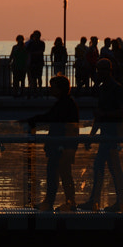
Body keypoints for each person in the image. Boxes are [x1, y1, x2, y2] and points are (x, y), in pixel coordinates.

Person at [21, 74, 80, 212]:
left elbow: (51, 118)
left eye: (52, 87)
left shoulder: (63, 104)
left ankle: (57, 202)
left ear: (59, 89)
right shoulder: (67, 103)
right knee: (62, 173)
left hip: (61, 146)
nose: (50, 89)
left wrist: (32, 120)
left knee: (55, 174)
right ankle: (65, 202)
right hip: (63, 145)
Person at [81, 59, 123, 213]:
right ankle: (116, 203)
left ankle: (99, 202)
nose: (98, 73)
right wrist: (92, 135)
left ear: (109, 71)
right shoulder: (102, 89)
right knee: (107, 168)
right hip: (106, 135)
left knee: (105, 167)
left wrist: (105, 115)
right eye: (97, 70)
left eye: (101, 70)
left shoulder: (116, 89)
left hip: (112, 135)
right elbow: (98, 117)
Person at [26, 30, 46, 95]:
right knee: (33, 78)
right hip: (33, 62)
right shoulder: (31, 44)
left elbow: (41, 51)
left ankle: (40, 90)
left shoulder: (42, 43)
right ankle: (35, 91)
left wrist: (33, 53)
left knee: (39, 77)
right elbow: (27, 51)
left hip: (39, 62)